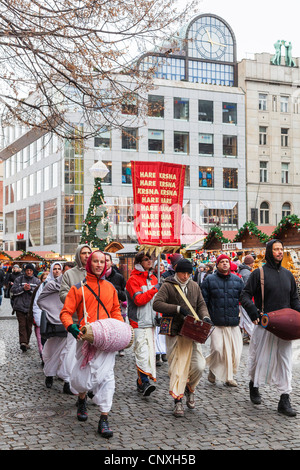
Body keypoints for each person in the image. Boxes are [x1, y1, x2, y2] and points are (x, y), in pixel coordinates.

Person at [60, 250, 124, 438]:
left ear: (106, 264)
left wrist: (119, 329)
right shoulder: (77, 288)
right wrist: (71, 328)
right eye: (95, 261)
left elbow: (116, 311)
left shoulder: (111, 288)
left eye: (102, 262)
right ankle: (82, 399)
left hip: (106, 341)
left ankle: (104, 418)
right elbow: (65, 313)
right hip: (85, 339)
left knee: (107, 378)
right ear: (89, 263)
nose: (98, 264)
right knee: (83, 378)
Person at [240, 239, 300, 417]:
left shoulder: (289, 275)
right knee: (259, 359)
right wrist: (254, 314)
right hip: (265, 325)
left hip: (285, 328)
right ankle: (254, 384)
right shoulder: (258, 273)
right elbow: (245, 295)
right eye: (276, 249)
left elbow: (295, 301)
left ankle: (284, 398)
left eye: (281, 249)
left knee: (285, 362)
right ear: (269, 251)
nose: (280, 252)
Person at [153, 258, 211, 417]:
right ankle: (177, 401)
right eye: (182, 273)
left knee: (199, 365)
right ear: (177, 272)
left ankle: (190, 388)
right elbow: (156, 304)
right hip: (174, 331)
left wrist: (205, 317)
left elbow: (201, 304)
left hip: (192, 331)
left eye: (188, 273)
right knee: (177, 368)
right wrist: (177, 309)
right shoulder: (167, 285)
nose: (185, 276)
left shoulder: (194, 286)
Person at [201, 254, 244, 387]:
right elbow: (204, 301)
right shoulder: (209, 280)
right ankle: (214, 370)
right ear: (217, 264)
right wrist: (205, 317)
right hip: (216, 322)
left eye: (227, 261)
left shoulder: (237, 281)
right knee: (218, 350)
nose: (225, 263)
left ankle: (228, 377)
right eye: (222, 262)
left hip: (233, 322)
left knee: (234, 353)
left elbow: (244, 299)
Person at [38, 262, 77, 395]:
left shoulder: (77, 286)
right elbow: (42, 300)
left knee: (68, 353)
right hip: (55, 324)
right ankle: (49, 374)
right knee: (51, 351)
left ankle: (67, 381)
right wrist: (53, 311)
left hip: (71, 323)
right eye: (65, 272)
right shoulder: (51, 285)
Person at [126, 251, 159, 397]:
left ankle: (142, 381)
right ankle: (144, 381)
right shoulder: (132, 280)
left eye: (150, 259)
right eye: (146, 259)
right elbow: (139, 300)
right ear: (139, 262)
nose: (149, 261)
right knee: (141, 352)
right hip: (138, 322)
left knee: (150, 353)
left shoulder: (153, 278)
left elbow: (156, 301)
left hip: (151, 322)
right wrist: (154, 289)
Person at [11, 263, 40, 352]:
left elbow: (38, 294)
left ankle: (26, 342)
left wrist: (30, 289)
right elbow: (13, 291)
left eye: (30, 270)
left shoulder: (36, 281)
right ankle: (23, 342)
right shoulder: (19, 279)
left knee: (29, 326)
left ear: (33, 271)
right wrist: (23, 288)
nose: (29, 272)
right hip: (20, 306)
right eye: (27, 270)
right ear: (25, 271)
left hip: (31, 308)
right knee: (22, 325)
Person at [104, 252, 127, 357]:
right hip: (103, 309)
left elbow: (125, 294)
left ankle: (120, 347)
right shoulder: (96, 277)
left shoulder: (118, 277)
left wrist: (115, 290)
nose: (104, 263)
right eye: (102, 260)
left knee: (119, 327)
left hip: (116, 308)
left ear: (111, 262)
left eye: (107, 260)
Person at [30, 271, 50, 362]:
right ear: (41, 280)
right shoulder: (38, 288)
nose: (45, 280)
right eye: (44, 279)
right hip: (40, 318)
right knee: (40, 339)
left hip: (50, 319)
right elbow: (34, 304)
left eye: (47, 278)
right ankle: (43, 356)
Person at [153, 260, 168, 366]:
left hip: (164, 306)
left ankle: (164, 352)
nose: (160, 267)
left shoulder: (167, 278)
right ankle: (157, 354)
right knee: (156, 333)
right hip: (155, 306)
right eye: (158, 265)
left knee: (163, 332)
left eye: (162, 265)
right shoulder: (152, 277)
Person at [238, 255, 255, 343]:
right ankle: (253, 337)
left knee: (244, 318)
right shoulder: (247, 273)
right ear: (251, 263)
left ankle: (245, 336)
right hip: (246, 299)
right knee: (248, 318)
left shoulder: (241, 271)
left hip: (241, 299)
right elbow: (248, 288)